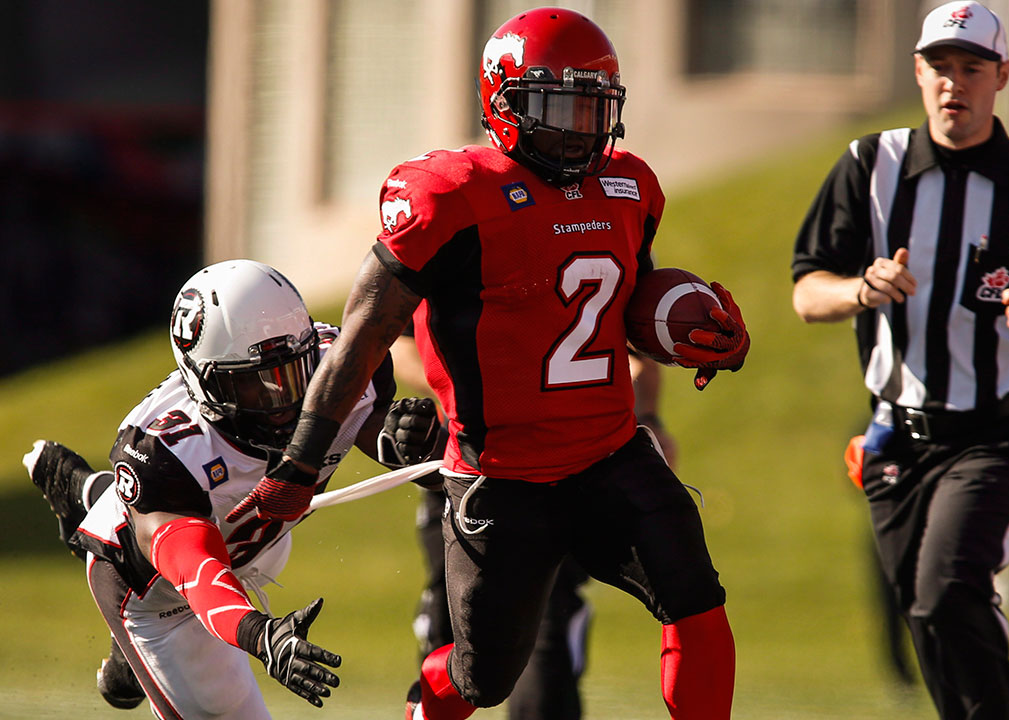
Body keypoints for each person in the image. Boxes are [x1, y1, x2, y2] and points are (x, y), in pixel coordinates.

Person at [226, 8, 748, 720]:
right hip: (501, 482)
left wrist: (702, 335)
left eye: (594, 108)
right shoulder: (451, 196)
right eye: (558, 107)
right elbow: (364, 333)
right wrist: (299, 465)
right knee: (483, 680)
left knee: (696, 601)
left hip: (611, 455)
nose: (580, 129)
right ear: (504, 102)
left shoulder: (629, 185)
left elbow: (627, 307)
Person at [791, 2, 1009, 717]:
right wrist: (862, 287)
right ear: (919, 72)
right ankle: (1008, 703)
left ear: (1002, 76)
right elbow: (807, 291)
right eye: (942, 67)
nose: (956, 84)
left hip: (998, 432)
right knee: (926, 620)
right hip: (896, 436)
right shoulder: (870, 165)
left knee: (947, 592)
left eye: (973, 68)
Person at [23, 258, 443, 718]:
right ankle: (114, 580)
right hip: (160, 590)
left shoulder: (339, 359)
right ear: (205, 381)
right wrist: (260, 635)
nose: (283, 402)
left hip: (252, 536)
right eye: (255, 386)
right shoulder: (164, 453)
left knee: (246, 520)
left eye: (292, 372)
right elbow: (198, 574)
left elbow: (360, 422)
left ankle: (84, 492)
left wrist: (398, 436)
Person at [394, 330, 676, 720]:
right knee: (453, 626)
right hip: (468, 464)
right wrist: (482, 387)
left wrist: (647, 417)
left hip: (569, 464)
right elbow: (394, 337)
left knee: (546, 629)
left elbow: (636, 345)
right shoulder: (444, 266)